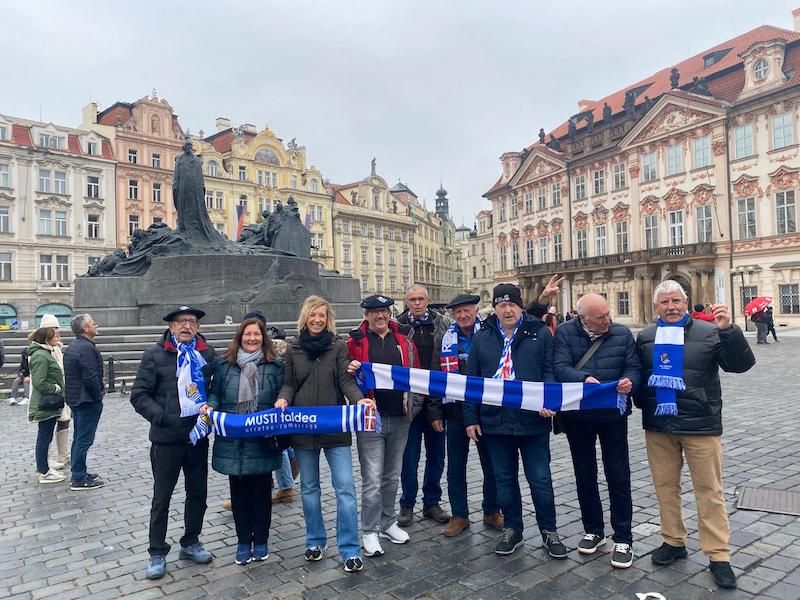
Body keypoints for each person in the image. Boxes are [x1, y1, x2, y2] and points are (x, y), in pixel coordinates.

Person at [635, 280, 755, 589]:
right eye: (664, 302)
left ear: (686, 304)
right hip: (659, 426)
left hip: (701, 425)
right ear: (655, 307)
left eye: (676, 300)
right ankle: (673, 540)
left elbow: (740, 366)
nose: (671, 306)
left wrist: (729, 331)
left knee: (709, 491)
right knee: (664, 487)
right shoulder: (646, 337)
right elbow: (638, 378)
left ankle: (718, 555)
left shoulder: (710, 331)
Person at [464, 283, 567, 559]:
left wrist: (549, 400)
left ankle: (549, 530)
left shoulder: (540, 333)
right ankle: (513, 529)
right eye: (501, 305)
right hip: (494, 422)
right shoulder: (482, 337)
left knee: (540, 479)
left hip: (532, 421)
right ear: (494, 308)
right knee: (504, 480)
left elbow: (549, 370)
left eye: (512, 305)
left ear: (521, 306)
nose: (507, 310)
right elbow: (472, 381)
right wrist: (470, 418)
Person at [276, 296, 370, 573]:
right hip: (303, 429)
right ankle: (315, 540)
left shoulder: (337, 346)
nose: (317, 320)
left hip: (333, 428)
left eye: (322, 315)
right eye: (313, 315)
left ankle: (350, 548)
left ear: (328, 319)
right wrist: (283, 399)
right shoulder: (293, 349)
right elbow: (289, 384)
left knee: (345, 488)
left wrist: (359, 399)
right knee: (309, 489)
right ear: (305, 317)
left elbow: (344, 380)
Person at [553, 293, 641, 569]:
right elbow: (560, 367)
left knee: (618, 474)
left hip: (613, 414)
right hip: (579, 415)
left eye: (608, 314)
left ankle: (624, 537)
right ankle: (593, 530)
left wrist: (630, 381)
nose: (608, 320)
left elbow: (634, 366)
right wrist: (582, 379)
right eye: (600, 317)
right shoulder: (566, 333)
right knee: (584, 473)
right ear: (583, 319)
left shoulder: (622, 334)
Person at [130, 305, 218, 580]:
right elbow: (139, 395)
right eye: (180, 321)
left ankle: (191, 541)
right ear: (170, 326)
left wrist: (211, 407)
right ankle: (157, 551)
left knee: (197, 493)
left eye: (191, 321)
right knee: (162, 497)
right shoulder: (155, 354)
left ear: (198, 327)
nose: (186, 326)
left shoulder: (207, 354)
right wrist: (162, 416)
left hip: (197, 436)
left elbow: (216, 388)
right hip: (166, 439)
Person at [200, 317, 283, 566]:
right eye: (247, 334)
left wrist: (281, 404)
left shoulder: (275, 365)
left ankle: (262, 540)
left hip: (262, 439)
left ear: (263, 337)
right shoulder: (224, 366)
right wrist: (210, 407)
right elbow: (215, 394)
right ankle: (243, 541)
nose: (252, 339)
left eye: (257, 334)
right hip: (234, 440)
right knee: (238, 495)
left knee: (261, 493)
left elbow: (283, 392)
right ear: (239, 337)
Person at [346, 294, 422, 558]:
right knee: (372, 478)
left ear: (390, 313)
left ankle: (388, 523)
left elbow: (417, 374)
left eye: (384, 311)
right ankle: (369, 530)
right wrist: (351, 369)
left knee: (392, 475)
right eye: (374, 312)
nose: (380, 316)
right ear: (366, 315)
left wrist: (416, 405)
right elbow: (346, 377)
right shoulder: (354, 343)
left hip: (400, 416)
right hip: (371, 419)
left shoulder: (404, 340)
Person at [437, 294, 502, 537]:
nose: (463, 316)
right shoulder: (445, 338)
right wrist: (435, 411)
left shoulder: (488, 335)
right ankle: (459, 515)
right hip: (454, 410)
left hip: (485, 408)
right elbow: (437, 375)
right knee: (456, 466)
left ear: (476, 311)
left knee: (491, 464)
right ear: (453, 315)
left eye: (467, 311)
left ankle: (491, 510)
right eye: (458, 313)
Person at [396, 285, 452, 527]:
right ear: (406, 302)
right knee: (409, 457)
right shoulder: (397, 326)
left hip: (437, 399)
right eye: (412, 299)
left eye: (420, 299)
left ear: (427, 301)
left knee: (437, 455)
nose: (417, 303)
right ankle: (407, 503)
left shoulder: (445, 324)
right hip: (409, 401)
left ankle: (432, 502)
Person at [64, 314, 105, 491]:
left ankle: (79, 471)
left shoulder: (76, 345)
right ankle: (79, 478)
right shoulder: (85, 348)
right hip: (86, 399)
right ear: (85, 328)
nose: (96, 325)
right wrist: (98, 395)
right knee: (83, 439)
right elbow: (90, 376)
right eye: (93, 323)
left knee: (79, 438)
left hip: (77, 399)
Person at [27, 325, 67, 484]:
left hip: (49, 403)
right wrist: (56, 388)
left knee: (45, 436)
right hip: (46, 403)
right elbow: (39, 382)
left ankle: (44, 469)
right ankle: (43, 471)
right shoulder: (41, 356)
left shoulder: (44, 353)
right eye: (55, 336)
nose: (58, 338)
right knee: (44, 437)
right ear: (46, 338)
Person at [38, 314, 71, 470]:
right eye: (53, 328)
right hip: (51, 394)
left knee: (64, 421)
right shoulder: (42, 351)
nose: (57, 332)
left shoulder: (58, 347)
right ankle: (47, 461)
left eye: (58, 328)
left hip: (61, 392)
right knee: (47, 429)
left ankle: (62, 455)